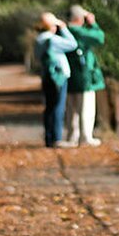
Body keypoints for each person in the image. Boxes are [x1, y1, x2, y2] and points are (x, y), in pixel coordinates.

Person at [33, 12, 77, 148]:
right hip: (59, 77)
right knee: (58, 107)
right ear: (52, 26)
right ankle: (57, 139)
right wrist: (63, 28)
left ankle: (49, 138)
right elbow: (73, 44)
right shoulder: (52, 40)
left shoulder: (38, 40)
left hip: (46, 76)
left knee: (49, 107)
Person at [65, 5, 106, 146]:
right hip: (83, 76)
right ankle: (85, 137)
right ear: (79, 18)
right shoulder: (77, 31)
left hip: (70, 76)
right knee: (86, 108)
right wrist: (93, 23)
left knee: (72, 108)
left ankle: (72, 136)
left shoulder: (65, 30)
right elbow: (100, 38)